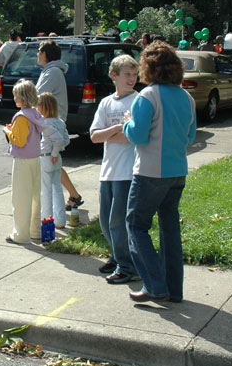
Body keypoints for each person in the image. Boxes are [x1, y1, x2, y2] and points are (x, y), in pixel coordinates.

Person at [122, 42, 196, 303]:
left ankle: (154, 285)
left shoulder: (147, 96)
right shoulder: (186, 97)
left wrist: (127, 122)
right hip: (177, 172)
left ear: (147, 68)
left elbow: (138, 136)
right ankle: (174, 289)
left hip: (150, 172)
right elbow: (190, 136)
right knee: (169, 229)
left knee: (135, 225)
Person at [90, 54, 140, 283]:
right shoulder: (106, 102)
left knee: (118, 222)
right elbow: (94, 136)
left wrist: (111, 133)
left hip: (127, 172)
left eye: (134, 74)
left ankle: (127, 266)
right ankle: (116, 255)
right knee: (105, 221)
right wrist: (117, 129)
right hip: (108, 171)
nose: (132, 78)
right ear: (114, 75)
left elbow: (133, 137)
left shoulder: (139, 101)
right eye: (127, 74)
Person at [34, 40, 83, 210]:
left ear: (46, 54)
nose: (37, 55)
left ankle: (70, 197)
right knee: (52, 162)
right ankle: (73, 195)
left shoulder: (52, 72)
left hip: (51, 123)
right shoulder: (51, 71)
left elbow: (38, 95)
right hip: (52, 121)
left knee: (50, 162)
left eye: (39, 52)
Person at [2, 79, 45, 244]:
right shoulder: (35, 114)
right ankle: (35, 231)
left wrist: (8, 131)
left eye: (16, 95)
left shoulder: (21, 117)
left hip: (22, 161)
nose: (14, 98)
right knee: (35, 197)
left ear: (22, 97)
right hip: (35, 159)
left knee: (21, 198)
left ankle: (20, 234)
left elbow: (18, 141)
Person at [37, 92, 69, 232]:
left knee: (46, 192)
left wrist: (54, 151)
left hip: (46, 157)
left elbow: (58, 139)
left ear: (42, 107)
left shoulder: (44, 123)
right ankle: (60, 220)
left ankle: (47, 225)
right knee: (57, 190)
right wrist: (58, 151)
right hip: (56, 159)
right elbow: (65, 139)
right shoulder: (60, 122)